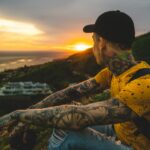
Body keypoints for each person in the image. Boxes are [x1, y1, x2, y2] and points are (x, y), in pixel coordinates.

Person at [0, 10, 150, 150]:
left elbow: (77, 117)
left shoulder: (143, 85)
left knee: (70, 131)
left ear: (102, 43)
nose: (93, 47)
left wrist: (17, 115)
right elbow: (70, 93)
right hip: (121, 131)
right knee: (63, 120)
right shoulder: (114, 73)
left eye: (93, 40)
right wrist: (29, 113)